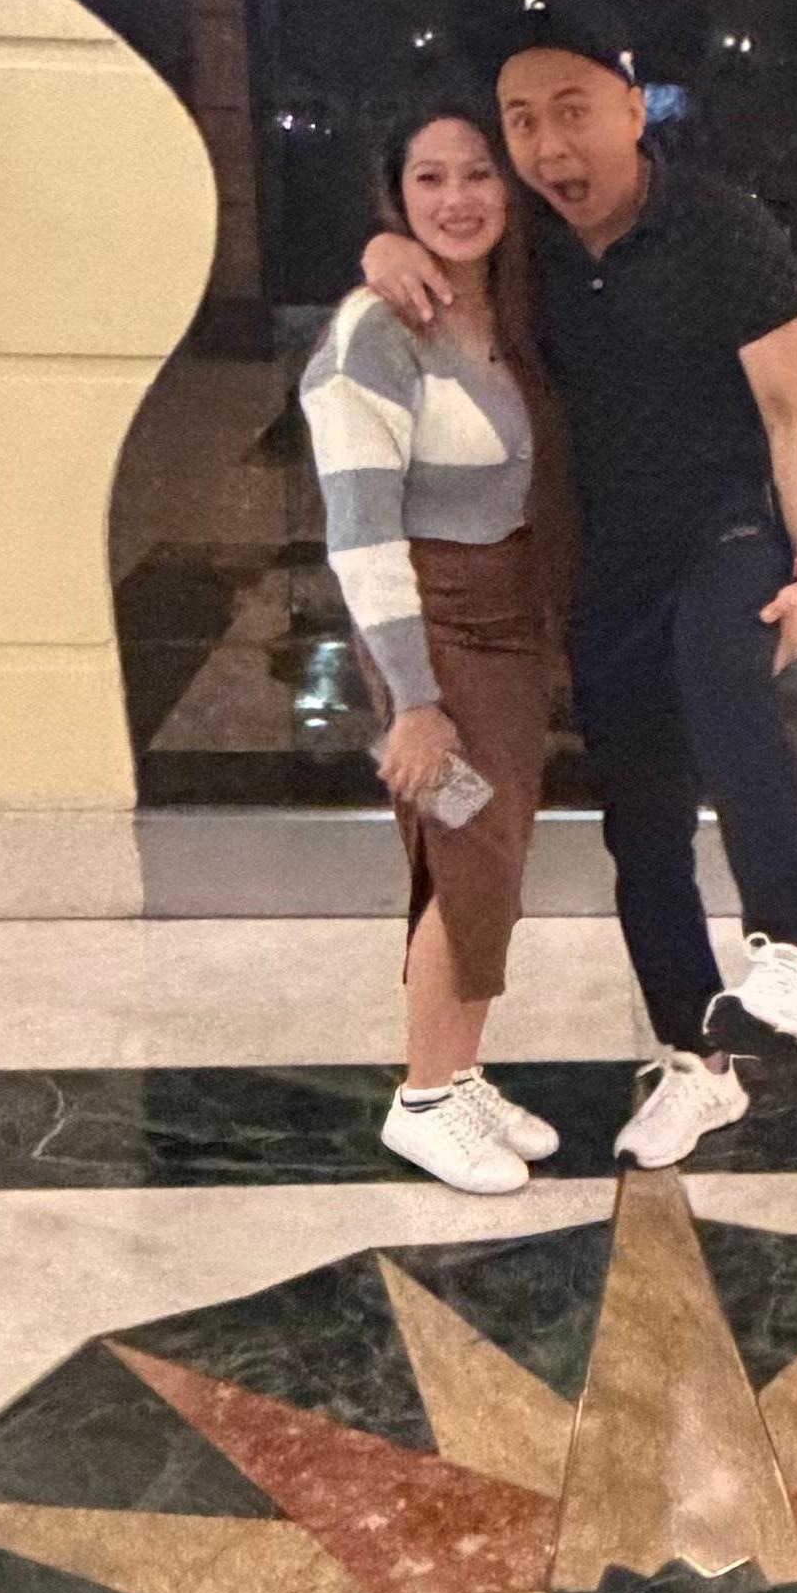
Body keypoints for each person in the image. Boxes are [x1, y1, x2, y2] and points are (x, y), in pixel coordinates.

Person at [358, 0, 797, 1175]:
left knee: (725, 680)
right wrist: (383, 249)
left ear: (632, 107)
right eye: (521, 121)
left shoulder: (723, 228)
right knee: (640, 830)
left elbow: (793, 413)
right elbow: (438, 230)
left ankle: (786, 948)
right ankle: (696, 1065)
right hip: (597, 569)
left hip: (723, 531)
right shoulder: (529, 243)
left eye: (572, 111)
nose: (547, 145)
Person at [300, 98, 567, 1196]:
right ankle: (421, 1099)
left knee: (487, 855)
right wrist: (412, 700)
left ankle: (458, 1075)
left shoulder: (512, 308)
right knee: (465, 853)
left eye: (478, 173)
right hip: (431, 636)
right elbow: (361, 537)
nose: (457, 199)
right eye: (429, 178)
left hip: (511, 633)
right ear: (395, 194)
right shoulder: (376, 331)